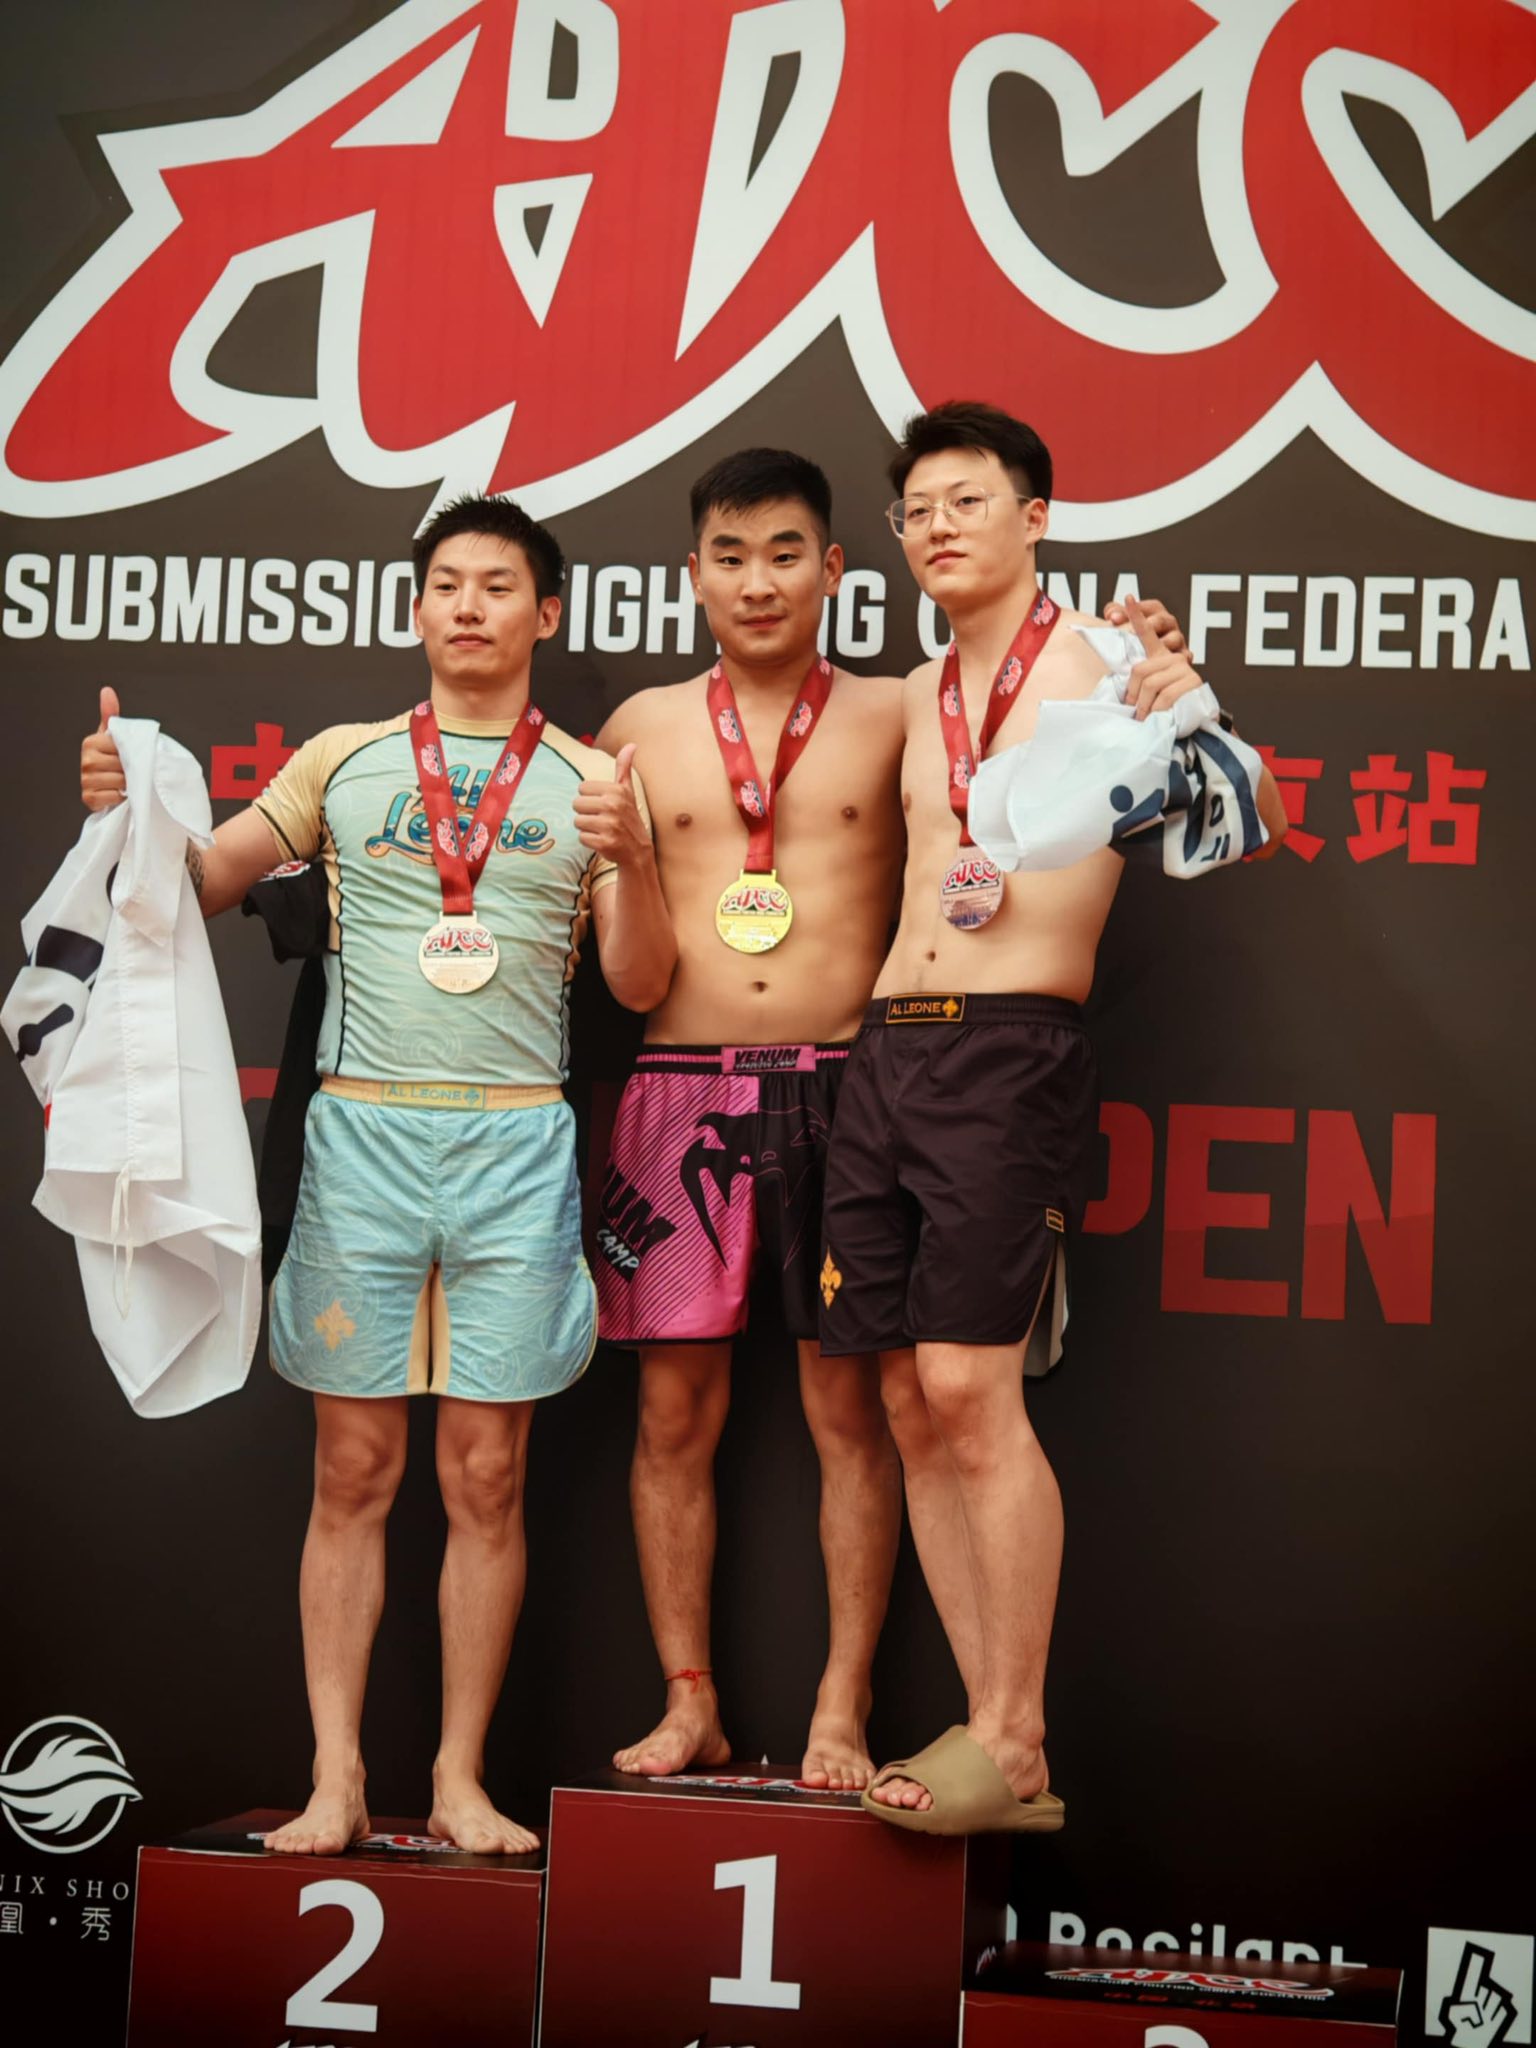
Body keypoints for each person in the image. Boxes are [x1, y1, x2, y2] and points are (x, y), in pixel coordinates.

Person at [78, 493, 675, 1855]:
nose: (469, 606)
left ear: (547, 612)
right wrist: (126, 810)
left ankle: (459, 1779)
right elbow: (201, 884)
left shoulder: (592, 776)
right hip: (363, 1141)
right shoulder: (342, 761)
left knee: (487, 1476)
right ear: (416, 610)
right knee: (351, 1469)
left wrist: (630, 853)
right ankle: (334, 1779)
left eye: (498, 585)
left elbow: (642, 983)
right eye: (446, 583)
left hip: (517, 1145)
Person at [816, 402, 1289, 1833]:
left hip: (1009, 1048)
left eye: (968, 500)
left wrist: (1188, 699)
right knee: (906, 1397)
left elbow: (1247, 814)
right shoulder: (917, 690)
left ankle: (1017, 1736)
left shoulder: (1104, 661)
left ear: (1036, 519)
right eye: (917, 510)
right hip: (884, 1050)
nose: (938, 526)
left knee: (971, 1391)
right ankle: (990, 1736)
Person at [591, 449, 908, 1789]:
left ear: (833, 568)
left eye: (785, 553)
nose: (758, 581)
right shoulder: (637, 727)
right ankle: (690, 1703)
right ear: (693, 575)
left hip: (851, 1085)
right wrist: (629, 865)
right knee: (672, 1419)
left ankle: (841, 1707)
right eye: (730, 556)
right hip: (680, 1082)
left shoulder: (901, 712)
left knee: (854, 1414)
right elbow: (628, 983)